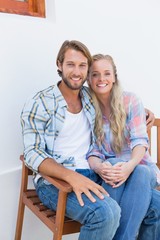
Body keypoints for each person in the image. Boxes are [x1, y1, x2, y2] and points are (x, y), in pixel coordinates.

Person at [21, 40, 158, 240]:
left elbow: (114, 101)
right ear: (59, 65)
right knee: (105, 214)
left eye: (82, 66)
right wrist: (70, 176)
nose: (76, 72)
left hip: (96, 174)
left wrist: (143, 111)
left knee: (157, 206)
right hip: (57, 182)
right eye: (70, 64)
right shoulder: (40, 102)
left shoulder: (88, 97)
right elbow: (32, 153)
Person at [87, 53, 160, 239]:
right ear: (88, 78)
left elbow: (139, 140)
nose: (101, 79)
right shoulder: (88, 107)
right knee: (112, 164)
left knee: (141, 171)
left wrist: (130, 166)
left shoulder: (130, 101)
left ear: (114, 77)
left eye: (106, 73)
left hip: (139, 168)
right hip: (112, 173)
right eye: (95, 74)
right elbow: (93, 151)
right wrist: (99, 167)